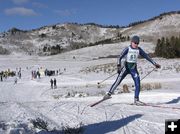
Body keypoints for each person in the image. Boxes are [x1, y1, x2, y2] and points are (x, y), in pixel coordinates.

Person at [103, 35, 161, 104]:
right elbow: (119, 57)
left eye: (137, 43)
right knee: (118, 81)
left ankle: (136, 100)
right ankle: (109, 94)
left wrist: (154, 64)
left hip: (133, 69)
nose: (136, 44)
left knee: (138, 83)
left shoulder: (139, 50)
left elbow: (147, 56)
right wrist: (119, 66)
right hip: (126, 68)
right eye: (135, 43)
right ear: (131, 42)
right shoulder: (127, 49)